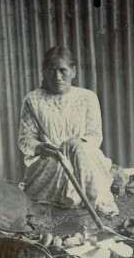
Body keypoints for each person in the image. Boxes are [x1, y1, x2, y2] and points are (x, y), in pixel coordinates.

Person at [18, 46, 119, 216]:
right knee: (60, 163)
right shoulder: (32, 100)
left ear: (73, 71)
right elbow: (25, 140)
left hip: (83, 158)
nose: (57, 77)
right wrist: (41, 147)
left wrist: (77, 143)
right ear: (43, 72)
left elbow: (95, 136)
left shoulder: (88, 98)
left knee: (82, 150)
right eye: (51, 70)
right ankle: (61, 203)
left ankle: (99, 202)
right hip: (49, 160)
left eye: (63, 70)